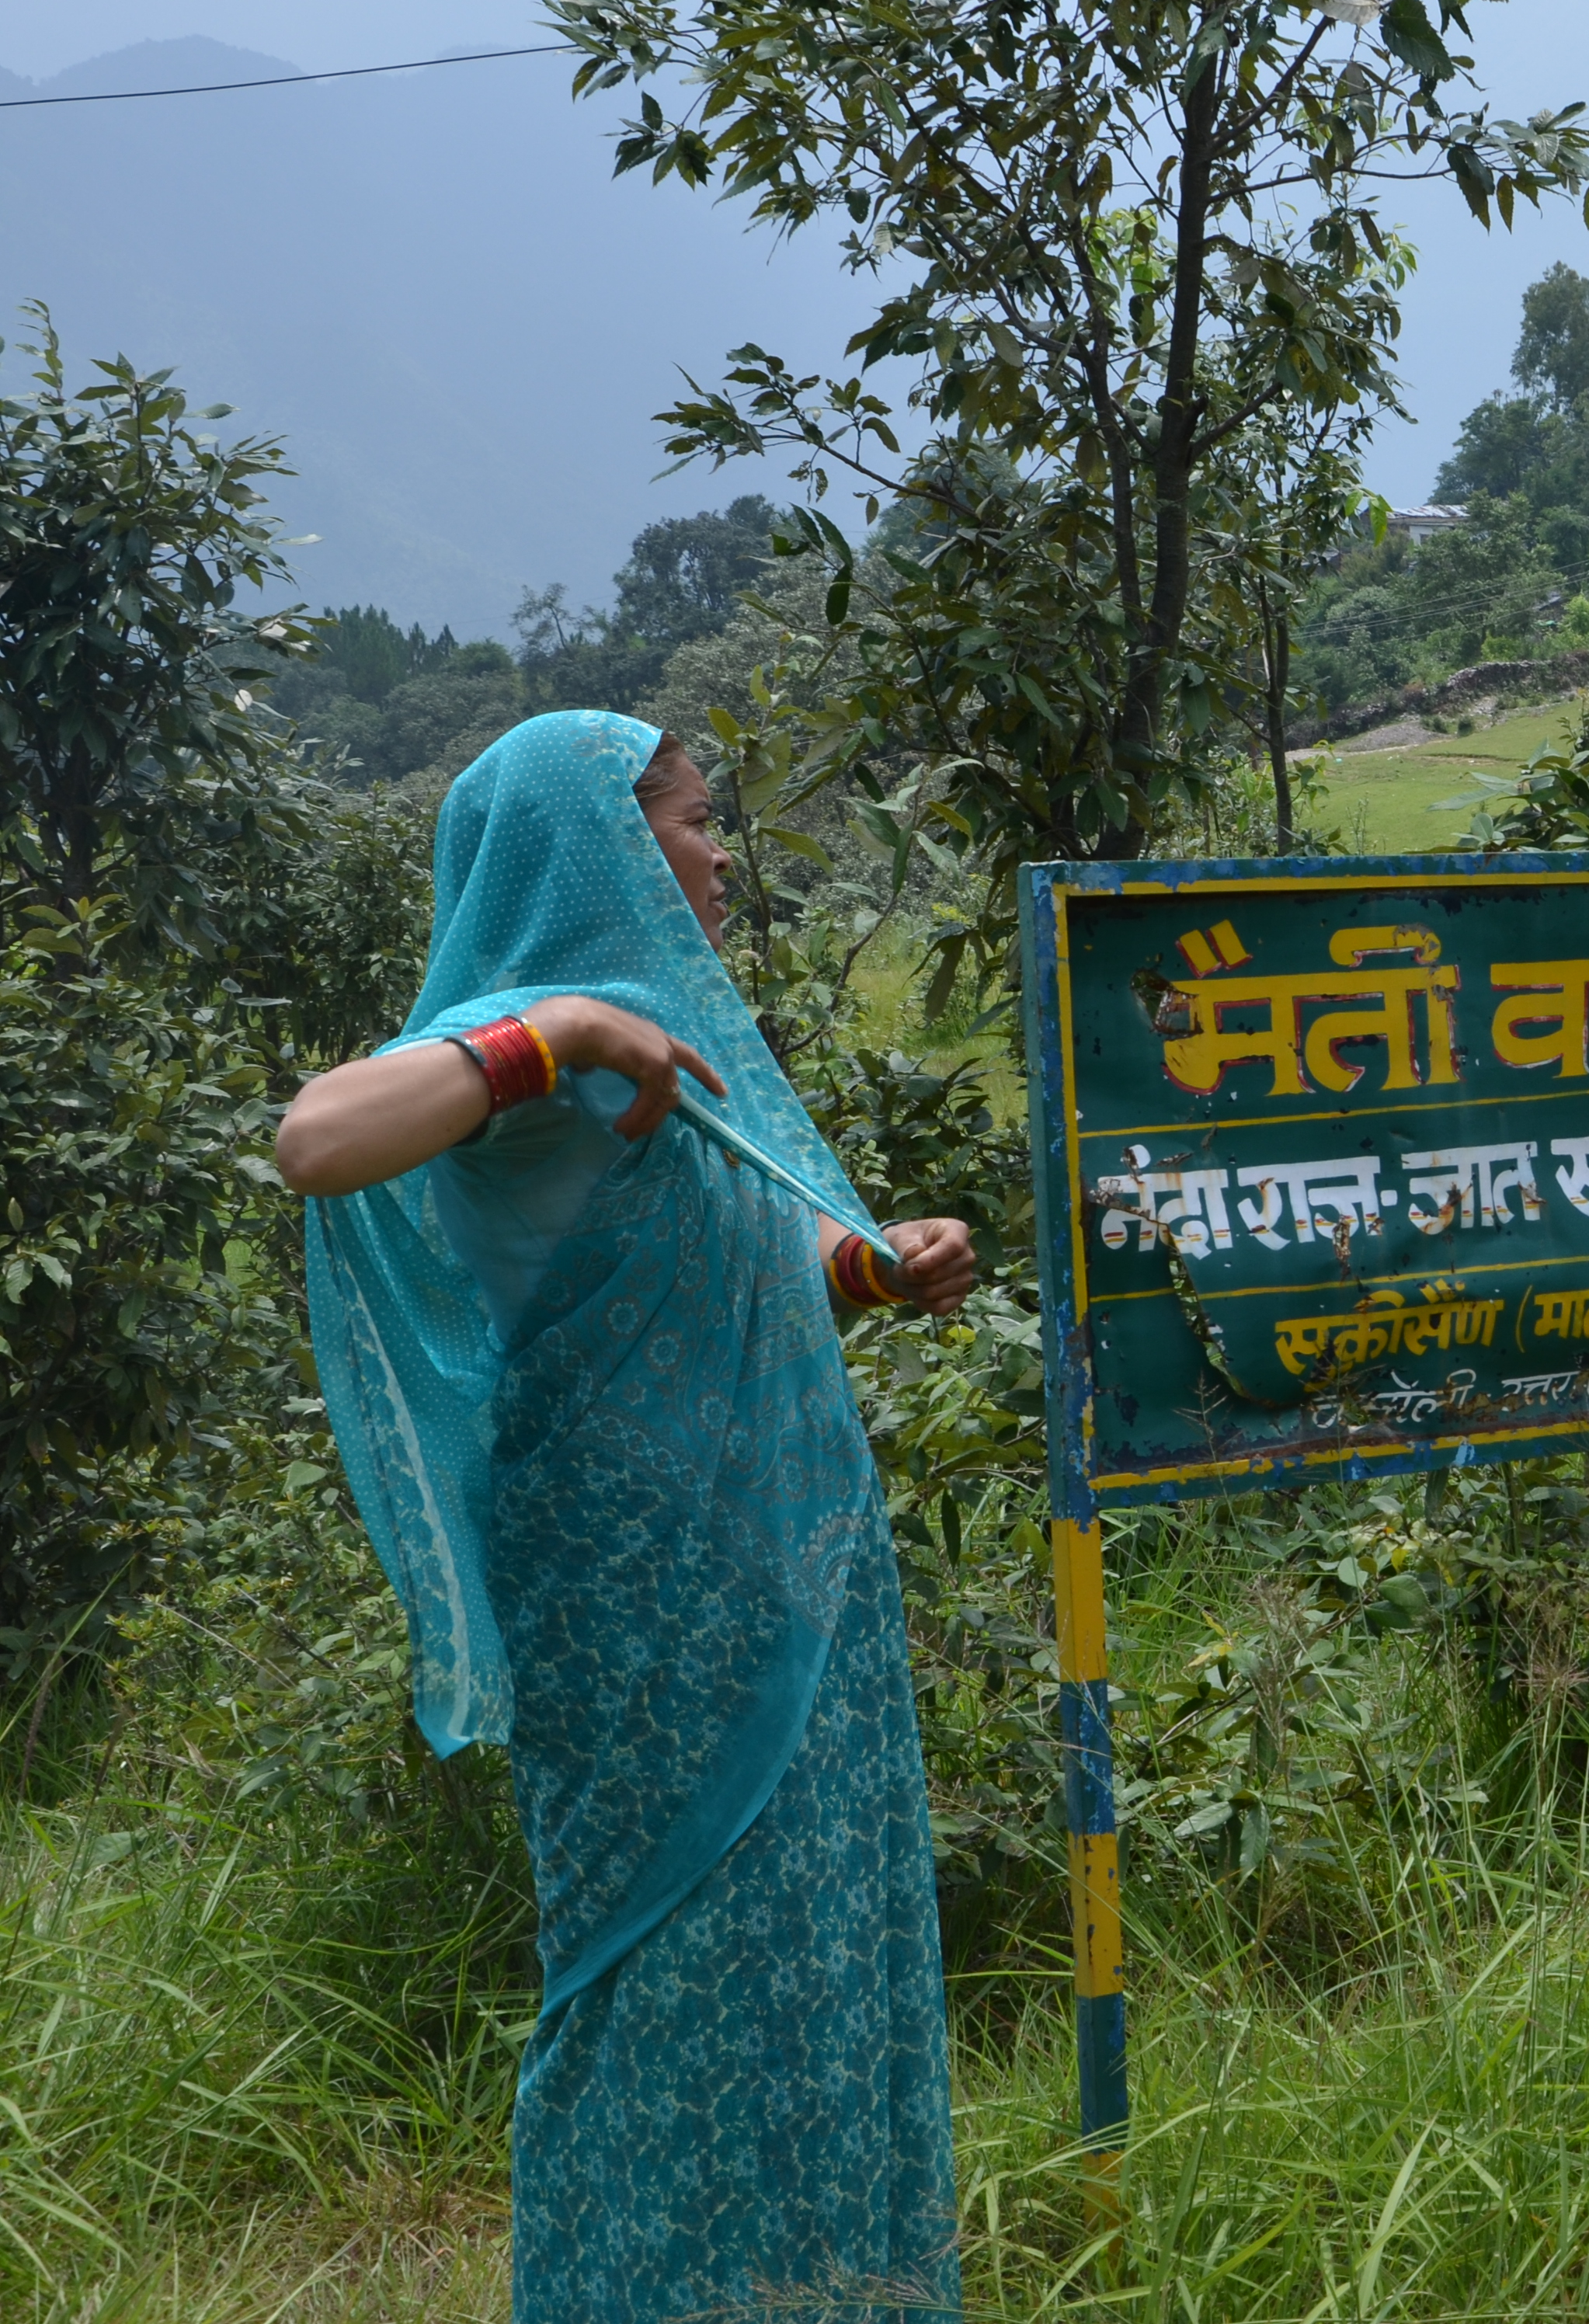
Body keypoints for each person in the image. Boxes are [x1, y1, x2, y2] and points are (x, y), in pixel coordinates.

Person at [276, 711, 982, 2319]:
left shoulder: (666, 1031)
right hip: (632, 1592)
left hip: (791, 1576)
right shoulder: (528, 1030)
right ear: (595, 846)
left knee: (811, 1959)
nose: (719, 854)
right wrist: (570, 1032)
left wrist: (875, 1266)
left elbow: (742, 1262)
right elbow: (317, 1142)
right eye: (690, 819)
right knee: (655, 1977)